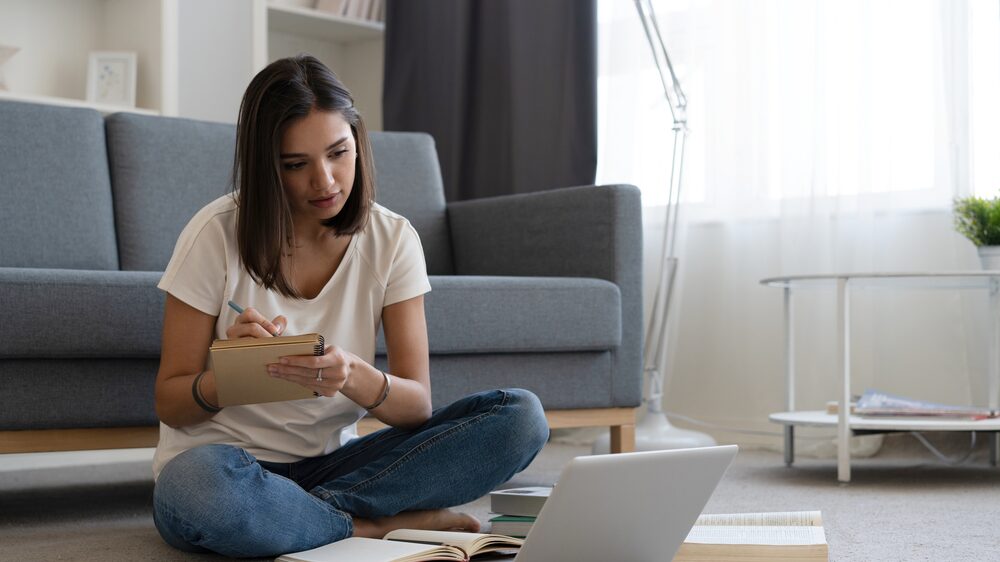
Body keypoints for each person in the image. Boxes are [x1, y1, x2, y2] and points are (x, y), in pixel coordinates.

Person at [151, 54, 549, 558]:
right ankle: (375, 527)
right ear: (265, 166)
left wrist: (353, 376)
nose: (326, 181)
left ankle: (310, 516)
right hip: (227, 464)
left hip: (340, 467)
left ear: (358, 142)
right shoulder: (214, 233)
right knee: (196, 490)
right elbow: (170, 402)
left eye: (338, 153)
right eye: (296, 165)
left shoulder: (392, 238)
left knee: (520, 417)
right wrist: (227, 378)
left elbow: (416, 406)